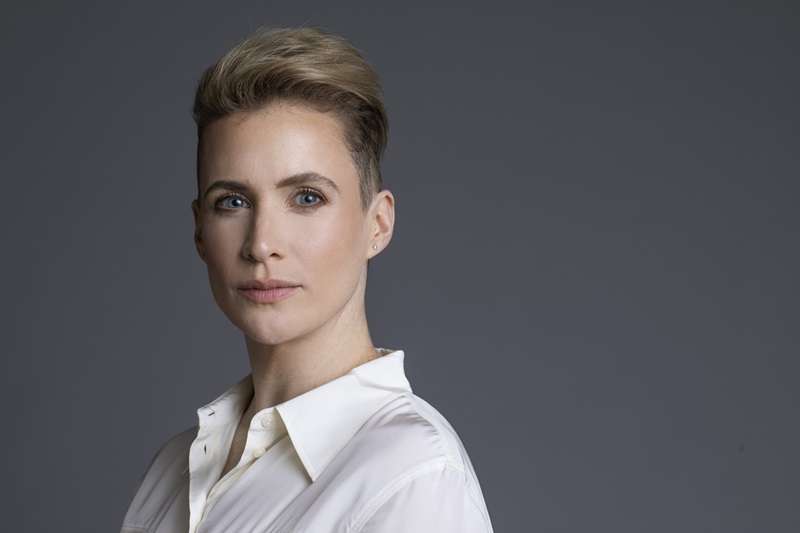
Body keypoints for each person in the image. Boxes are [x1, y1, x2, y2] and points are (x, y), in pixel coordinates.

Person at [120, 25, 494, 533]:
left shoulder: (412, 476)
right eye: (233, 202)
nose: (261, 243)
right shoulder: (172, 471)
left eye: (306, 197)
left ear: (377, 224)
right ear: (200, 231)